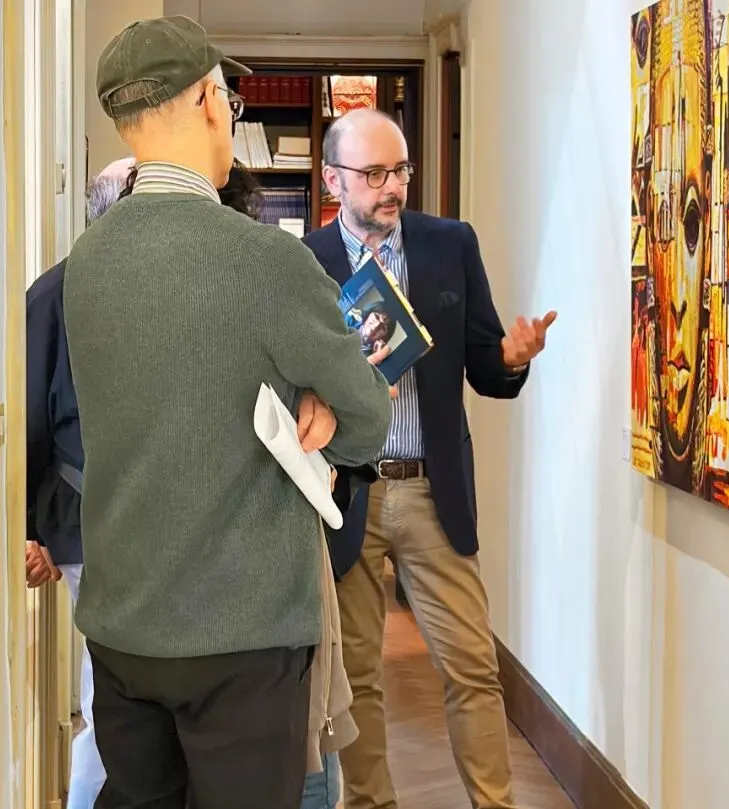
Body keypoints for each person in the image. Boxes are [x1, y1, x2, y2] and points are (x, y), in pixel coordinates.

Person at [62, 16, 392, 809]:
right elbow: (366, 418)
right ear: (209, 103)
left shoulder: (86, 263)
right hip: (242, 633)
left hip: (122, 624)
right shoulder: (266, 259)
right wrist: (321, 404)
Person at [304, 108, 556, 809]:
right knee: (355, 679)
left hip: (431, 488)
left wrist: (512, 358)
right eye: (373, 173)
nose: (392, 186)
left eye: (401, 170)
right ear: (332, 179)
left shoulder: (450, 244)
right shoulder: (306, 262)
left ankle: (493, 802)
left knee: (473, 666)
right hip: (347, 492)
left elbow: (485, 364)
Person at [24, 156, 135, 809]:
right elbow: (32, 420)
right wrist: (31, 531)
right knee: (109, 697)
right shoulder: (55, 294)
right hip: (86, 522)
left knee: (122, 694)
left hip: (150, 520)